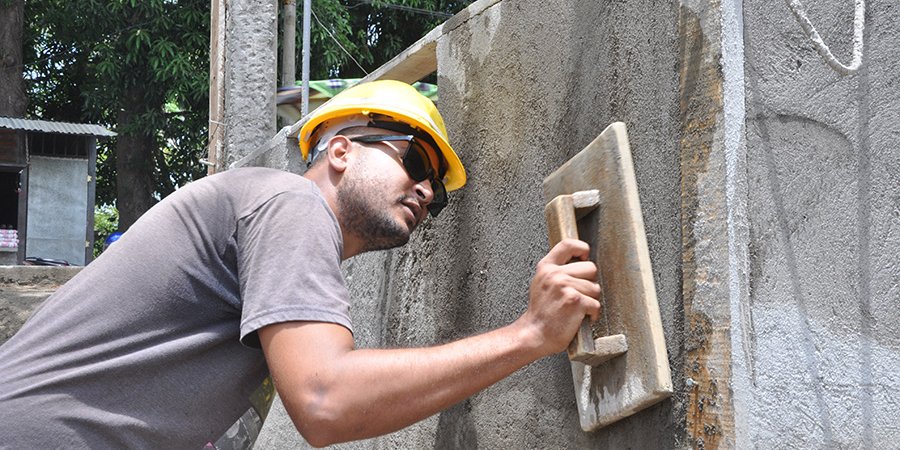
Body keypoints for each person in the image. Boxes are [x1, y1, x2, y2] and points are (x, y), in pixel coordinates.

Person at [0, 80, 600, 448]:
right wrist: (530, 334)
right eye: (416, 162)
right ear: (340, 149)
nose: (425, 191)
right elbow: (324, 401)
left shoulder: (264, 223)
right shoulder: (292, 204)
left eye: (437, 192)